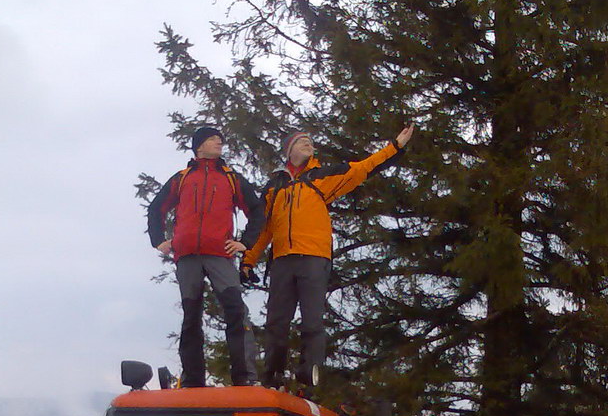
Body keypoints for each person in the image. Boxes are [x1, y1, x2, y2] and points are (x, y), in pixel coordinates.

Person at [241, 125, 415, 389]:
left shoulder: (322, 176)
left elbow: (362, 167)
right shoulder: (274, 186)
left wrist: (395, 146)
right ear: (289, 150)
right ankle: (272, 376)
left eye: (311, 142)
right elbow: (263, 228)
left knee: (312, 321)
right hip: (282, 260)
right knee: (276, 323)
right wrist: (248, 260)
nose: (309, 144)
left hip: (314, 257)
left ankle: (308, 374)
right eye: (302, 142)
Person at [147, 126, 265, 387]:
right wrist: (159, 241)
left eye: (221, 140)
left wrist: (244, 243)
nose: (219, 143)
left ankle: (244, 378)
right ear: (199, 146)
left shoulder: (231, 178)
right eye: (213, 139)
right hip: (187, 255)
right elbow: (156, 208)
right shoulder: (182, 177)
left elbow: (257, 210)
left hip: (219, 254)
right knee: (191, 316)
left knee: (235, 311)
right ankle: (192, 381)